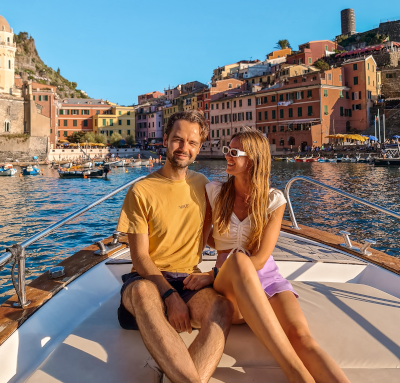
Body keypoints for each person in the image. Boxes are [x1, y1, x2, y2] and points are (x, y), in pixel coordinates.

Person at [184, 128, 350, 383]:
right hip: (228, 282)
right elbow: (203, 238)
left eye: (233, 152)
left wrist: (210, 274)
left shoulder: (274, 200)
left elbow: (261, 259)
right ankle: (297, 375)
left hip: (268, 280)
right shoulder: (215, 192)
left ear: (252, 159)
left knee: (301, 337)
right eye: (227, 150)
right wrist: (212, 272)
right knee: (237, 259)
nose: (227, 155)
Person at [116, 111, 233, 383]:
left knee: (223, 308)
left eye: (192, 143)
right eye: (178, 140)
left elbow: (210, 236)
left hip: (188, 279)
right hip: (147, 279)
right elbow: (140, 257)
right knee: (145, 294)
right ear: (166, 141)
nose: (184, 148)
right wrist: (170, 295)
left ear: (199, 148)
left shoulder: (202, 185)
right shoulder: (141, 191)